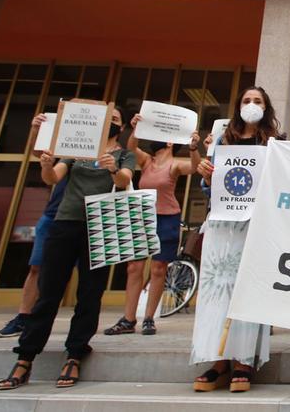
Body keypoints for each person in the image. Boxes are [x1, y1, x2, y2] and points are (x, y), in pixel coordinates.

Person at [0, 106, 136, 391]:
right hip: (66, 223)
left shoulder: (124, 154)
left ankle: (75, 353)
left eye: (116, 120)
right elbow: (53, 178)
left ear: (120, 128)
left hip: (101, 227)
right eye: (107, 118)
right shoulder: (77, 150)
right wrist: (47, 164)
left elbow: (124, 180)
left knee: (90, 293)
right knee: (49, 292)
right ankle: (25, 357)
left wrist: (112, 168)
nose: (111, 122)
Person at [189, 86, 280, 392]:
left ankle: (243, 360)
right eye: (246, 100)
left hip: (254, 226)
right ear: (238, 105)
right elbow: (210, 188)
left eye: (257, 101)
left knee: (246, 289)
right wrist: (205, 175)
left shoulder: (273, 143)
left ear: (265, 108)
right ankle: (218, 360)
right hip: (221, 226)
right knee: (217, 290)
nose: (251, 105)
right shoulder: (221, 141)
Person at [103, 114, 194, 337]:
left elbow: (194, 167)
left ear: (170, 142)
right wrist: (136, 128)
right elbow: (132, 146)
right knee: (134, 267)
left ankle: (149, 318)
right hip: (143, 217)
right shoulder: (146, 162)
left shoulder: (174, 165)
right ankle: (128, 318)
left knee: (158, 269)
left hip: (167, 218)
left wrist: (193, 147)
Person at [0, 114, 67, 338]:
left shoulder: (112, 153)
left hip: (87, 219)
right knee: (37, 267)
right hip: (54, 215)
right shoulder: (70, 148)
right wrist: (36, 129)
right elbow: (41, 154)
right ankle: (24, 317)